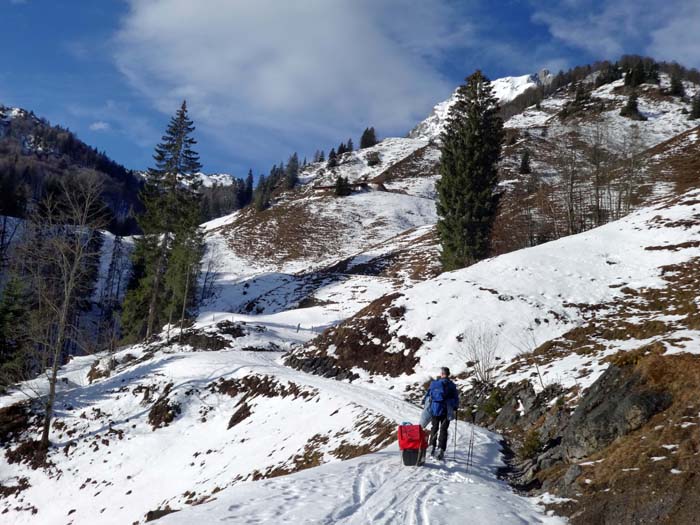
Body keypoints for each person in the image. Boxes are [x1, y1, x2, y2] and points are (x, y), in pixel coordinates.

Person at [423, 367, 459, 460]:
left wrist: (425, 404)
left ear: (442, 374)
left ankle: (431, 446)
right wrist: (455, 406)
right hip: (446, 410)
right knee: (443, 430)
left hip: (435, 409)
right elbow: (455, 398)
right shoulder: (451, 385)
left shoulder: (434, 384)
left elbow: (428, 395)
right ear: (448, 374)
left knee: (434, 428)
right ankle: (441, 450)